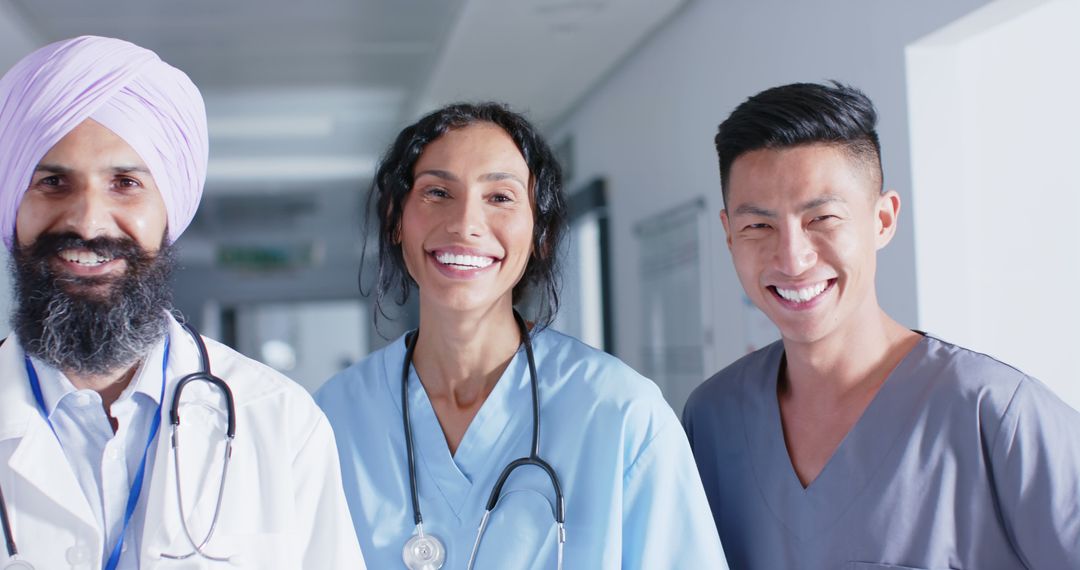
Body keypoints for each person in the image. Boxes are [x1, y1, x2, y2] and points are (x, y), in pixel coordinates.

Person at [0, 36, 365, 569]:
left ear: (170, 210)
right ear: (12, 204)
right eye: (53, 182)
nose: (87, 221)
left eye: (125, 183)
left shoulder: (279, 421)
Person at [682, 81, 1080, 569]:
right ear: (728, 234)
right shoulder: (712, 421)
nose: (791, 258)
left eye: (822, 218)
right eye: (758, 226)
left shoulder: (993, 414)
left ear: (883, 219)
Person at [316, 102, 727, 569]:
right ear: (395, 219)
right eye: (437, 192)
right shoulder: (331, 419)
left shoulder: (622, 414)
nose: (465, 224)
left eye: (500, 197)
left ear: (541, 234)